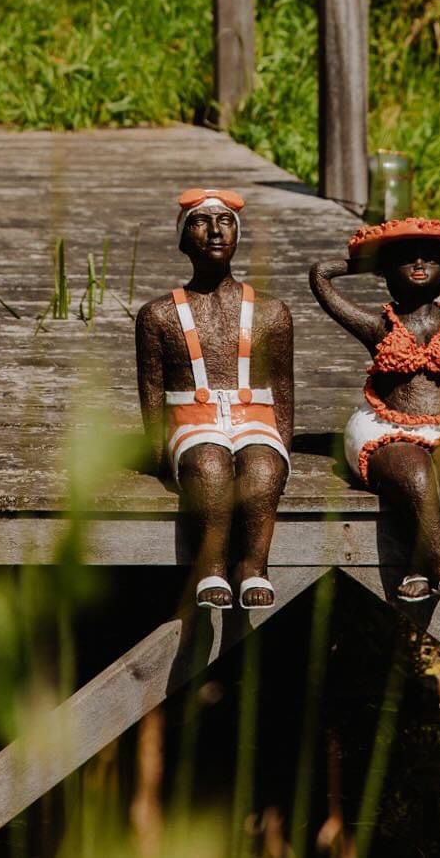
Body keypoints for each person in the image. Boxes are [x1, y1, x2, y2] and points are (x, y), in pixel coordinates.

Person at [309, 218, 440, 601]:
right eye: (406, 258)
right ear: (388, 270)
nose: (419, 263)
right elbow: (321, 276)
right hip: (386, 425)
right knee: (416, 473)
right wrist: (370, 263)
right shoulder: (377, 326)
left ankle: (416, 570)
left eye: (431, 258)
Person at [136, 188, 294, 609]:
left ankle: (253, 566)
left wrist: (282, 446)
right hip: (192, 418)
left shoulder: (272, 312)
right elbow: (151, 387)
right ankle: (211, 567)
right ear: (184, 239)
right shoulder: (158, 315)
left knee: (262, 467)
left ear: (238, 234)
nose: (215, 232)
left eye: (225, 222)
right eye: (201, 223)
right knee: (209, 464)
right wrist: (158, 456)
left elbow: (282, 383)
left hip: (253, 417)